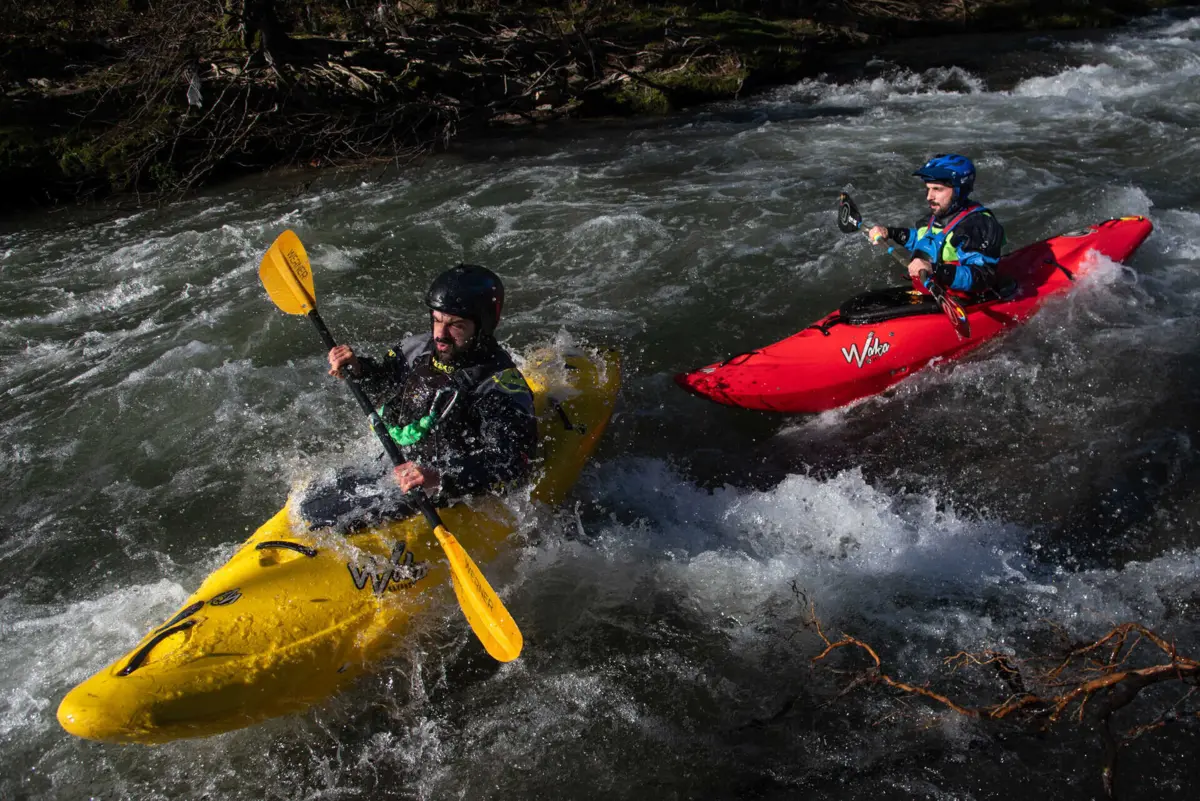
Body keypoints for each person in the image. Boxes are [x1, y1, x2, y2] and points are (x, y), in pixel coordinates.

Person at [300, 264, 538, 532]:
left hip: (449, 487)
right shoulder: (417, 349)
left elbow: (512, 460)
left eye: (456, 325)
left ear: (482, 326)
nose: (440, 334)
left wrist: (440, 477)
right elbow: (381, 384)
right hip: (401, 469)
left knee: (343, 527)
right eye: (437, 319)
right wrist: (357, 368)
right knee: (309, 503)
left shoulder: (496, 385)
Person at [866, 153, 1005, 295]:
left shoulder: (977, 225)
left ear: (959, 190)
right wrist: (889, 232)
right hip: (931, 292)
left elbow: (982, 276)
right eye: (928, 188)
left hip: (964, 300)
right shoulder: (939, 214)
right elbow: (923, 240)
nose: (929, 197)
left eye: (937, 189)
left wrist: (934, 269)